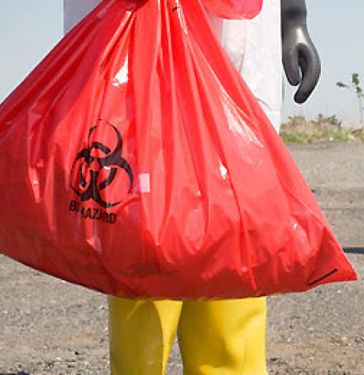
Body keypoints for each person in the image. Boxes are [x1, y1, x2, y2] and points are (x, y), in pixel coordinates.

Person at [63, 0, 321, 374]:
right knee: (145, 244)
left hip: (238, 55)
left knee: (233, 252)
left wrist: (293, 16)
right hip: (139, 49)